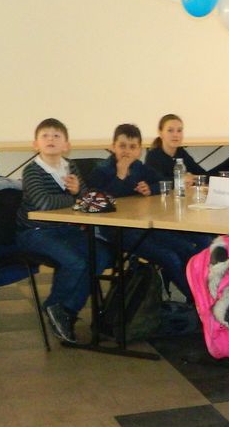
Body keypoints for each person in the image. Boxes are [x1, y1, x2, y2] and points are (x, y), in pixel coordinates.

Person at [16, 118, 112, 343]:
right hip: (35, 231)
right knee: (75, 262)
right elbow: (43, 203)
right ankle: (54, 305)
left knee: (100, 255)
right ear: (35, 144)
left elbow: (86, 199)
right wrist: (74, 198)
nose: (51, 139)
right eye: (45, 136)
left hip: (65, 229)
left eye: (56, 136)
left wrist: (79, 193)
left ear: (66, 145)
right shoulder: (32, 170)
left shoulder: (70, 167)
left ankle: (66, 310)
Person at [88, 123, 206, 301]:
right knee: (169, 257)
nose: (127, 151)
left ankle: (198, 297)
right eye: (122, 146)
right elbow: (99, 200)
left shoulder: (139, 167)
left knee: (187, 249)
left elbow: (164, 182)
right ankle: (199, 302)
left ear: (139, 151)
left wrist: (150, 188)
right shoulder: (102, 170)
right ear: (113, 147)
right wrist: (120, 176)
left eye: (132, 147)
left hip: (143, 225)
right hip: (116, 230)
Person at [144, 114, 199, 188]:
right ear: (160, 133)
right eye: (170, 130)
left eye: (179, 130)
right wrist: (181, 180)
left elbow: (202, 174)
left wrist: (192, 178)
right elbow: (155, 183)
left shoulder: (181, 153)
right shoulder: (153, 156)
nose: (175, 135)